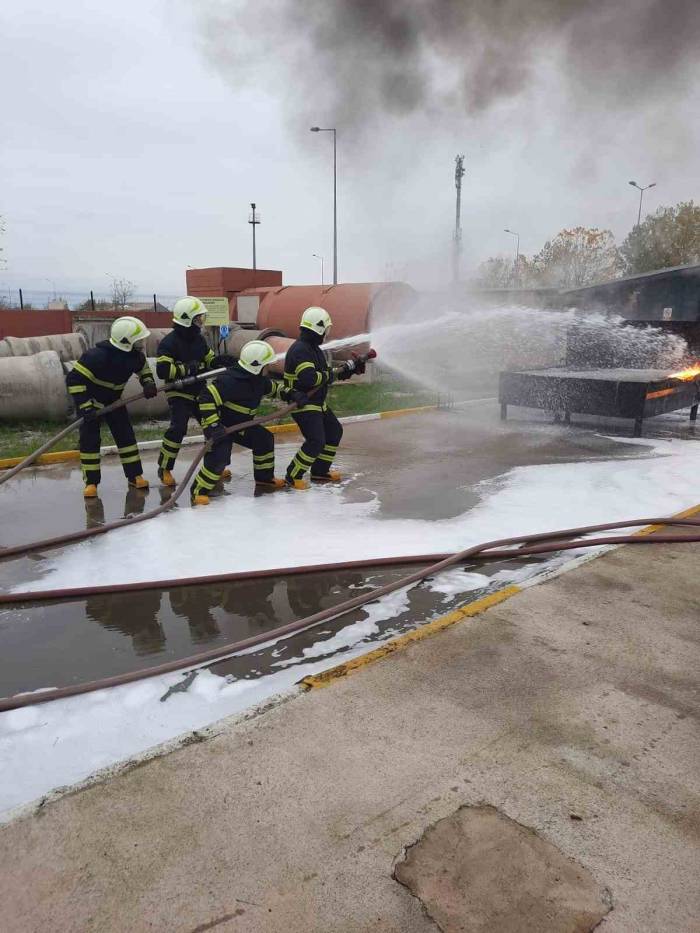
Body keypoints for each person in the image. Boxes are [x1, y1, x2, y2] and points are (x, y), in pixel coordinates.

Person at [190, 340, 299, 505]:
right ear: (256, 367)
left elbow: (275, 389)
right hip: (220, 426)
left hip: (242, 424)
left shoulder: (258, 380)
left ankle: (264, 479)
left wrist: (292, 394)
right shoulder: (230, 381)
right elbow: (206, 397)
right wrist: (214, 425)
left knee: (264, 439)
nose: (268, 368)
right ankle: (198, 491)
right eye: (266, 365)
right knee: (219, 457)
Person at [66, 316, 157, 498]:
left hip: (114, 402)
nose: (141, 344)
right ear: (125, 341)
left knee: (126, 438)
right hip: (91, 403)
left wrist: (148, 382)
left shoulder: (134, 356)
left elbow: (144, 368)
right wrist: (85, 406)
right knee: (90, 442)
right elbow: (73, 380)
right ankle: (91, 483)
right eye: (138, 340)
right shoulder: (97, 356)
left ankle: (135, 476)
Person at [282, 306, 365, 489]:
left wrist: (350, 370)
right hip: (303, 403)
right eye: (326, 329)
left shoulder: (314, 349)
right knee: (316, 440)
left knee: (334, 431)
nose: (327, 333)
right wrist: (331, 374)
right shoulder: (301, 350)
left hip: (317, 402)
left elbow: (326, 375)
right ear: (318, 328)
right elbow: (310, 378)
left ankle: (320, 471)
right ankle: (293, 476)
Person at [155, 295, 220, 487]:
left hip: (199, 390)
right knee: (178, 429)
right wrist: (186, 369)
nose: (201, 321)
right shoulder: (169, 342)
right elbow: (163, 370)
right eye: (198, 318)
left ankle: (215, 466)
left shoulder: (199, 339)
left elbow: (208, 358)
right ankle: (164, 468)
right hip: (179, 391)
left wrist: (219, 361)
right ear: (187, 319)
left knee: (212, 425)